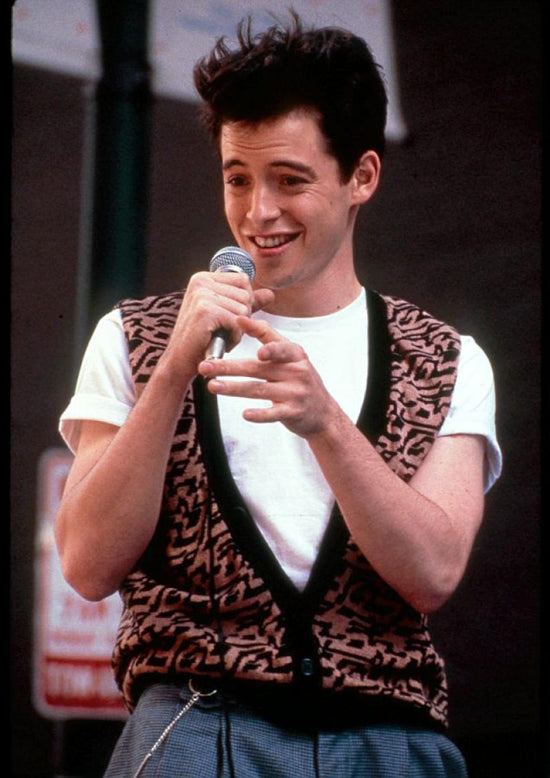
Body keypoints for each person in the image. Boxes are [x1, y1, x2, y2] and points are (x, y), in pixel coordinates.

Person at [55, 12, 502, 778]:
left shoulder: (445, 359)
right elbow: (88, 564)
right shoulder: (134, 337)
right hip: (194, 726)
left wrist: (326, 424)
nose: (258, 212)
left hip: (385, 736)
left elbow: (433, 574)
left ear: (362, 176)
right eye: (237, 177)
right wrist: (173, 370)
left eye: (290, 180)